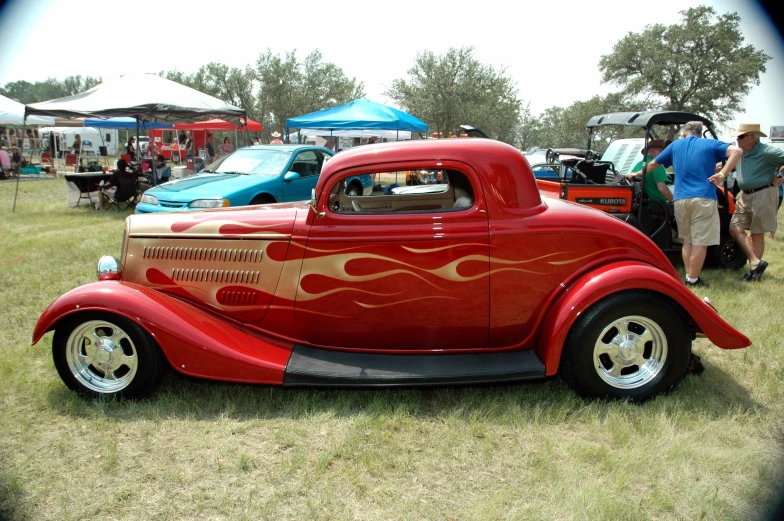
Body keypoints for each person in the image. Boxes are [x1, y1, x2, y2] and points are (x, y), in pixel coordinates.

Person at [633, 121, 742, 288]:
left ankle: (689, 276)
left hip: (680, 199)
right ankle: (693, 279)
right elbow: (737, 151)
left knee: (687, 241)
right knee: (700, 241)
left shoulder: (676, 145)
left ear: (684, 132)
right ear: (700, 132)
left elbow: (653, 165)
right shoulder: (710, 143)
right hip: (704, 198)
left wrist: (636, 174)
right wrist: (722, 174)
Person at [728, 123, 784, 281]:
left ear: (752, 137)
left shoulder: (767, 151)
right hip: (744, 196)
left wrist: (779, 176)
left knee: (757, 233)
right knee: (735, 228)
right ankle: (756, 262)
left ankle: (753, 273)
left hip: (762, 194)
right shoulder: (740, 152)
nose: (737, 140)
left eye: (740, 136)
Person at [625, 139, 673, 207]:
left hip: (640, 206)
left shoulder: (638, 165)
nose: (663, 154)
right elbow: (662, 189)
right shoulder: (657, 166)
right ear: (652, 150)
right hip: (656, 205)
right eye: (661, 150)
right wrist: (674, 201)